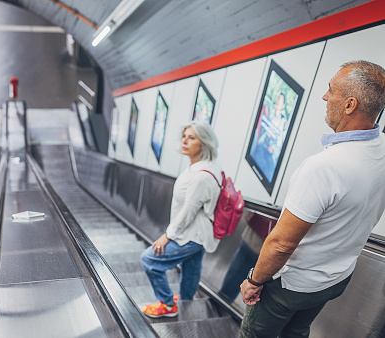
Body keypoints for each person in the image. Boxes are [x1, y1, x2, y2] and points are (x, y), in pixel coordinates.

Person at [239, 60, 385, 337]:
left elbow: (282, 244)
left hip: (291, 285)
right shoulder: (381, 149)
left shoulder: (324, 167)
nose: (324, 96)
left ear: (350, 105)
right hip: (335, 280)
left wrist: (253, 280)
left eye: (331, 90)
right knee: (297, 331)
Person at [141, 120, 222, 318]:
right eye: (184, 136)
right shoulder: (205, 167)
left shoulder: (201, 176)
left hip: (193, 234)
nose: (184, 141)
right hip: (199, 233)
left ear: (203, 144)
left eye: (191, 138)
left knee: (149, 259)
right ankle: (186, 302)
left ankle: (168, 305)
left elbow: (188, 211)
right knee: (191, 268)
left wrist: (167, 236)